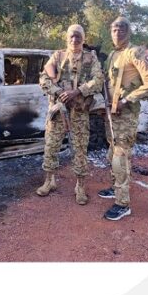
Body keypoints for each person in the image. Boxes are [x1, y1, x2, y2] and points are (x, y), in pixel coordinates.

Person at [98, 17, 148, 221]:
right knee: (111, 154)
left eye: (122, 28)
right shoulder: (113, 55)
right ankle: (116, 188)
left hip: (126, 114)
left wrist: (127, 99)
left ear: (129, 31)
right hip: (111, 114)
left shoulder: (135, 52)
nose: (118, 31)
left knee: (120, 157)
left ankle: (122, 203)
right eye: (114, 28)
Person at [37, 24, 104, 205]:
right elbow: (43, 78)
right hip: (58, 111)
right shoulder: (58, 56)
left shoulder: (90, 58)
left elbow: (99, 80)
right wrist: (58, 91)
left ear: (83, 38)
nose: (74, 40)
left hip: (80, 112)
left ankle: (80, 186)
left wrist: (78, 91)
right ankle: (49, 181)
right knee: (51, 146)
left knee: (80, 150)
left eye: (78, 36)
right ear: (67, 38)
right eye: (72, 36)